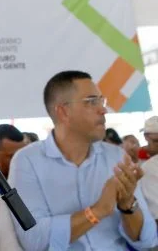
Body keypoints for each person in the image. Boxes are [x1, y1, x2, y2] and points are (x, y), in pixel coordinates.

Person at [8, 71, 157, 250]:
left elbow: (148, 240)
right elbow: (34, 239)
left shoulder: (115, 157)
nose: (103, 109)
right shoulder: (27, 161)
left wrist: (128, 205)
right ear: (63, 112)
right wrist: (97, 211)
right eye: (91, 102)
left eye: (101, 101)